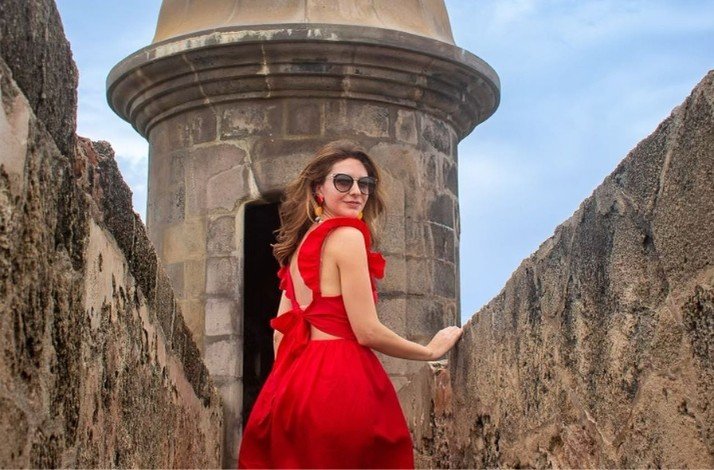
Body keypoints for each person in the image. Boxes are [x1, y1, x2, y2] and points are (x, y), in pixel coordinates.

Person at [237, 140, 463, 469]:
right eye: (343, 182)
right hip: (340, 381)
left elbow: (279, 335)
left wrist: (285, 392)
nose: (356, 191)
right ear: (319, 189)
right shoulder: (348, 236)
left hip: (295, 386)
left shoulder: (298, 248)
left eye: (365, 183)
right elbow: (367, 330)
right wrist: (429, 351)